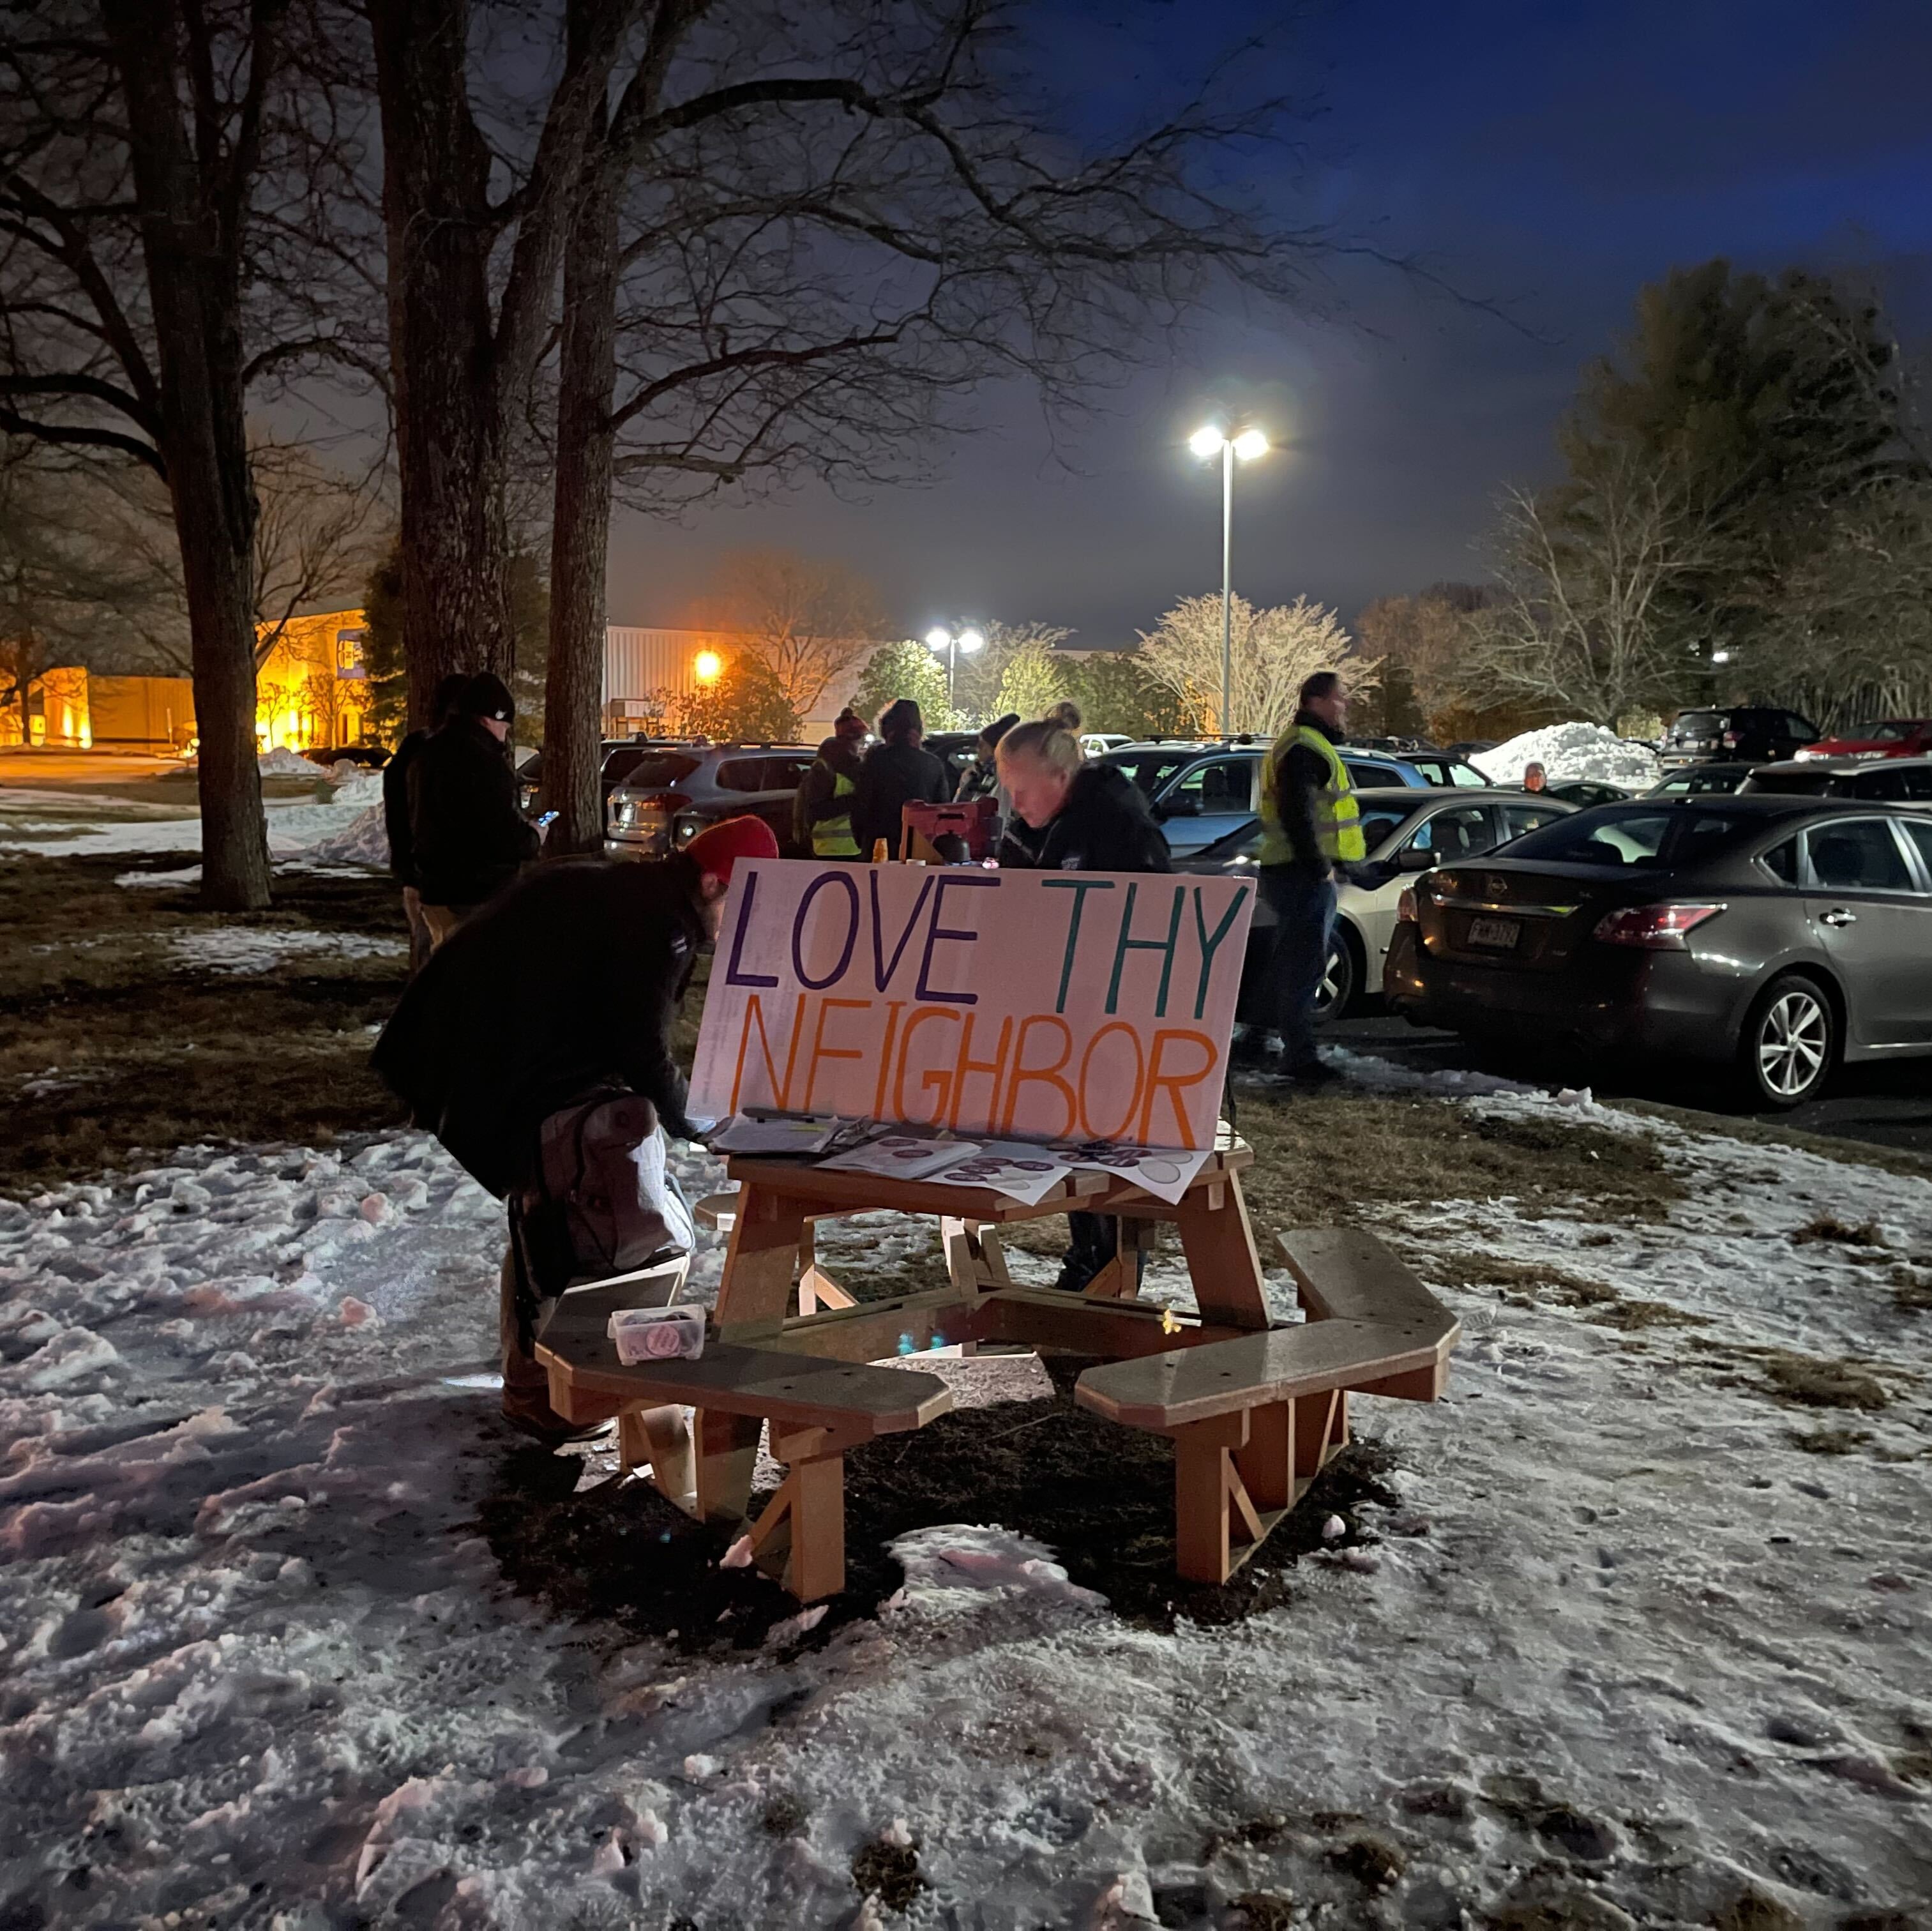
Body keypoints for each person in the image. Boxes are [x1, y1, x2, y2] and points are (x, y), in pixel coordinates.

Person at [372, 815, 780, 1439]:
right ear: (711, 884)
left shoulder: (633, 891)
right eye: (741, 905)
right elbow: (640, 1048)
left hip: (462, 1047)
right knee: (563, 1217)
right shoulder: (661, 925)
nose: (739, 928)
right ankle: (543, 1389)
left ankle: (534, 1378)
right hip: (484, 1061)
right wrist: (700, 1124)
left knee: (548, 1203)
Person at [995, 713, 1170, 1292]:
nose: (1012, 800)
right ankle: (1089, 1260)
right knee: (1077, 1136)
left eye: (1021, 787)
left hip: (1116, 1020)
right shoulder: (1037, 828)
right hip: (1071, 1016)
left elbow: (1154, 919)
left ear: (1061, 774)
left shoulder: (1117, 824)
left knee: (1110, 1149)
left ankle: (1114, 1274)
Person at [1251, 670, 1363, 1086]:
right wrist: (1319, 867)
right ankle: (1299, 1057)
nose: (1344, 704)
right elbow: (1298, 814)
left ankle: (1256, 1041)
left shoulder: (1301, 744)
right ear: (1317, 700)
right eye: (1340, 697)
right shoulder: (1304, 748)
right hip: (1302, 874)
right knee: (1305, 965)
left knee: (1287, 961)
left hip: (1290, 870)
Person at [408, 672, 541, 948]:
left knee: (445, 970)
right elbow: (504, 837)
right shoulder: (485, 765)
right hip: (477, 896)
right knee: (478, 979)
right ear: (489, 718)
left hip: (436, 891)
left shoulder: (427, 755)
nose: (505, 736)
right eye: (505, 726)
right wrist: (534, 836)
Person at [382, 672, 470, 973]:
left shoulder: (412, 749)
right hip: (441, 879)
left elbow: (397, 811)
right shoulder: (443, 755)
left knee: (427, 956)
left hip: (416, 873)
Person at [850, 697, 950, 859]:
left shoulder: (874, 762)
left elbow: (861, 806)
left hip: (879, 845)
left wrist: (863, 841)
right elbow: (942, 810)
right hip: (920, 847)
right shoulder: (932, 764)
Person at [793, 707, 869, 856]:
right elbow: (816, 810)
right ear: (853, 738)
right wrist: (856, 800)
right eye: (863, 738)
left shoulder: (856, 767)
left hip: (852, 848)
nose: (864, 745)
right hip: (831, 849)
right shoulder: (825, 769)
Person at [954, 711, 1020, 805]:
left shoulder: (1000, 776)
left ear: (995, 749)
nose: (978, 749)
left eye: (982, 745)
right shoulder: (977, 773)